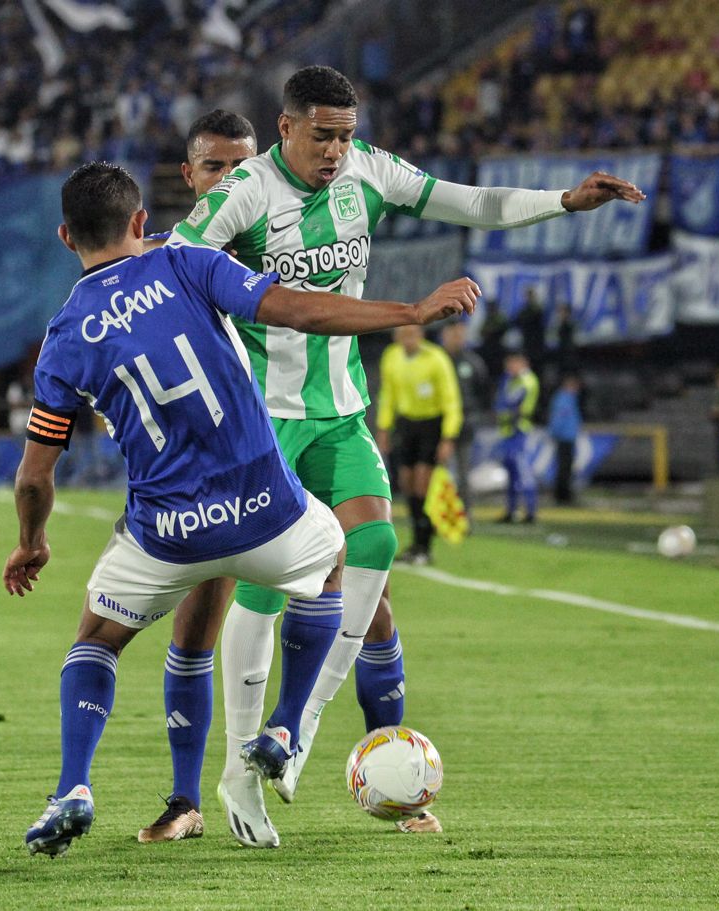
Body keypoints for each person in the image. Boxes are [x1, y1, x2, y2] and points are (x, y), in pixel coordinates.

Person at [168, 65, 644, 837]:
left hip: (340, 410)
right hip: (263, 421)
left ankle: (294, 732)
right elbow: (177, 261)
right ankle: (238, 778)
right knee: (266, 583)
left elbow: (473, 202)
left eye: (345, 136)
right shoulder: (247, 192)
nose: (335, 150)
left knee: (377, 543)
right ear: (286, 128)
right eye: (321, 135)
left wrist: (563, 201)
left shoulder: (369, 171)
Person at [8, 162, 478, 856]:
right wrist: (409, 313)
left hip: (167, 534)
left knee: (95, 640)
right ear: (140, 222)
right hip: (264, 512)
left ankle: (73, 786)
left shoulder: (63, 337)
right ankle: (285, 725)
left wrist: (32, 541)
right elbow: (301, 310)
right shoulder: (187, 263)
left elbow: (33, 476)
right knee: (335, 558)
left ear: (64, 236)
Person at [375, 324, 463, 566]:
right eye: (402, 335)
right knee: (406, 483)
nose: (407, 339)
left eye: (412, 334)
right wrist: (384, 428)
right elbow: (387, 395)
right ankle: (416, 543)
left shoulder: (436, 358)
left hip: (431, 425)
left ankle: (424, 544)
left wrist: (448, 437)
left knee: (422, 484)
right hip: (406, 424)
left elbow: (451, 400)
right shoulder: (391, 357)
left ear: (420, 335)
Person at [440, 320, 489, 505]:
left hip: (465, 424)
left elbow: (482, 391)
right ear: (444, 335)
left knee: (463, 474)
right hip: (439, 423)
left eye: (460, 334)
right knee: (439, 473)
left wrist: (473, 414)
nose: (457, 338)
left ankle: (464, 515)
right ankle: (439, 515)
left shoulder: (473, 362)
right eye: (453, 334)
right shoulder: (436, 359)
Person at [496, 351, 541, 523]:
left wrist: (504, 403)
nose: (508, 368)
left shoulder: (526, 380)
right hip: (508, 431)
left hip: (519, 432)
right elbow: (500, 402)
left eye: (511, 364)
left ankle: (531, 512)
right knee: (511, 474)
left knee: (523, 472)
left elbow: (509, 401)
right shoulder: (511, 380)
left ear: (521, 363)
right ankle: (511, 511)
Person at [548, 373, 583, 505]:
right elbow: (559, 418)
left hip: (567, 437)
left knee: (566, 467)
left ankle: (563, 495)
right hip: (564, 437)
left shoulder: (567, 398)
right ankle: (562, 496)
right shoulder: (564, 399)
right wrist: (555, 433)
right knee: (564, 467)